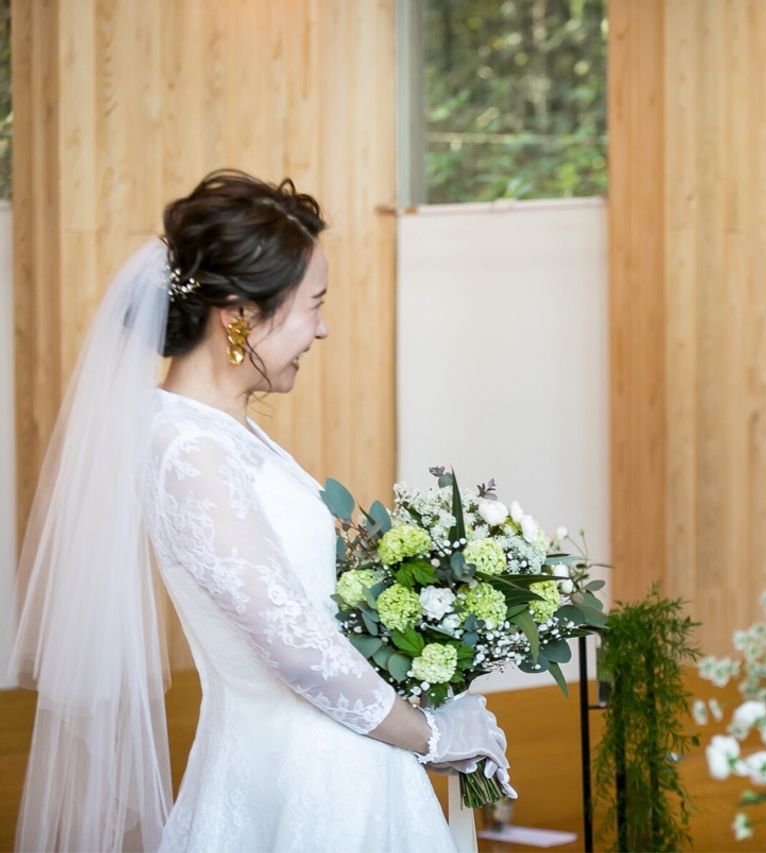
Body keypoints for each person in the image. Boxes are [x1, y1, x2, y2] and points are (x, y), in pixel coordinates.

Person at [12, 170, 513, 852]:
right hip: (304, 782)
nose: (323, 329)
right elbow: (298, 651)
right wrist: (434, 735)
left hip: (331, 763)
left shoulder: (222, 431)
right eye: (314, 305)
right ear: (240, 317)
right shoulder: (189, 449)